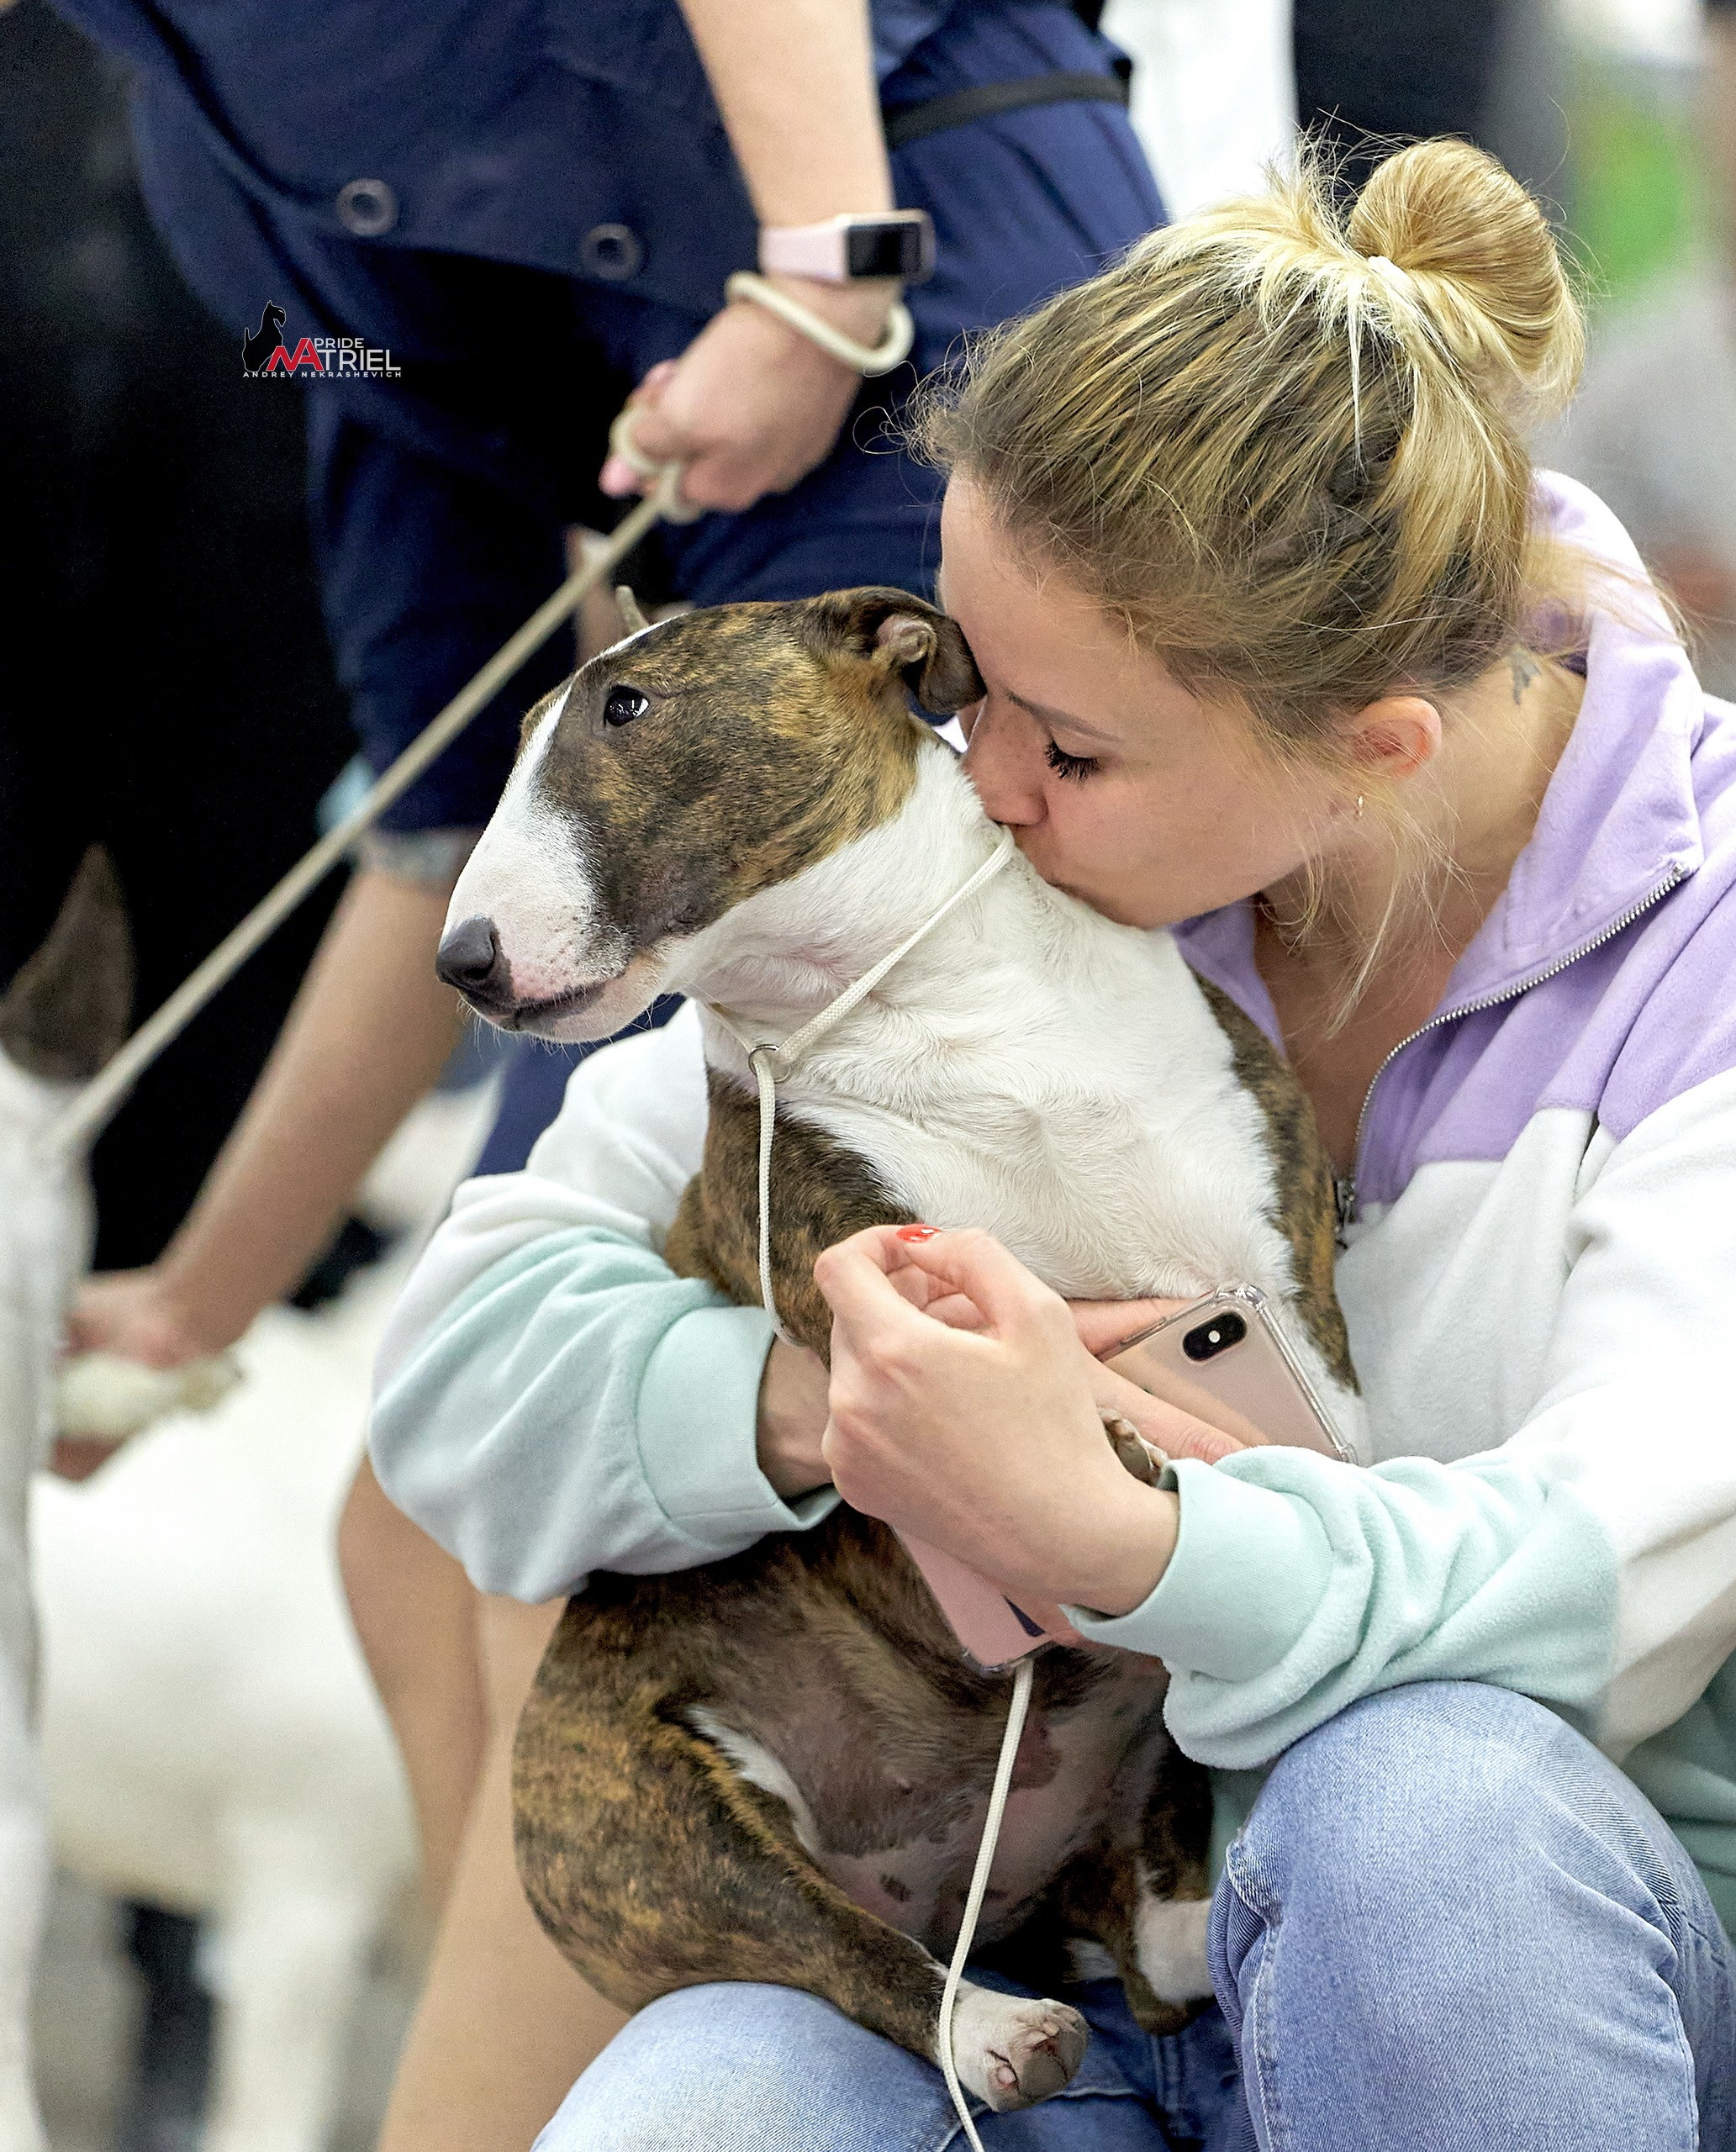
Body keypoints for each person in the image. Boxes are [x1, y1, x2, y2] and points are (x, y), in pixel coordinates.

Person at [372, 135, 1736, 2147]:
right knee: (707, 2097)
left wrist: (1121, 1538)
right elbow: (459, 1370)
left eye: (1069, 746)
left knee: (1422, 1812)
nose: (981, 778)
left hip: (1541, 1970)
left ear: (1376, 748)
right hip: (1046, 1973)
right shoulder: (960, 856)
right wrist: (829, 1403)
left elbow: (1595, 1597)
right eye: (967, 683)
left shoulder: (1701, 955)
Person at [43, 0, 1161, 2139]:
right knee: (413, 1518)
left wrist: (818, 270)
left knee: (552, 1551)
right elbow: (442, 828)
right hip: (735, 568)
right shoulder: (240, 213)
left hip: (941, 426)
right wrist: (188, 1305)